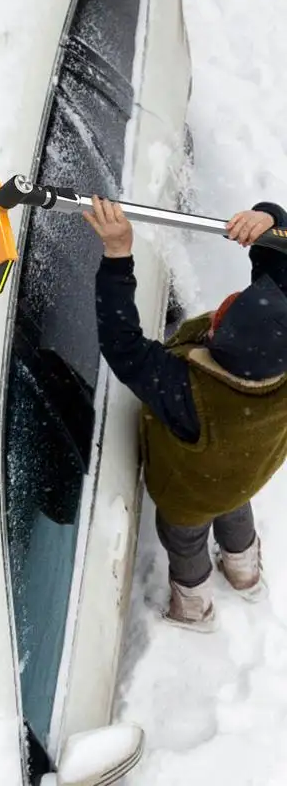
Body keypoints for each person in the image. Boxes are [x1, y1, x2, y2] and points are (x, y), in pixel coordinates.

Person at [83, 195, 287, 632]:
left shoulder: (189, 394)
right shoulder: (278, 359)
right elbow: (281, 267)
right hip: (241, 475)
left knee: (186, 540)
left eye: (227, 310)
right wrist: (270, 220)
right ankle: (245, 573)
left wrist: (118, 255)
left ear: (218, 335)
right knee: (234, 512)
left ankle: (194, 607)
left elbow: (124, 346)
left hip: (191, 496)